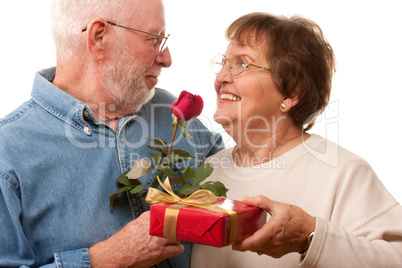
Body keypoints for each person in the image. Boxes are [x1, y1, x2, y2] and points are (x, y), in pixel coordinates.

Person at [0, 0, 223, 267]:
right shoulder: (8, 153)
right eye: (154, 40)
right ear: (99, 37)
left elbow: (243, 182)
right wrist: (102, 260)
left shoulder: (170, 113)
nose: (166, 59)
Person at [191, 12, 402, 267]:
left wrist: (310, 237)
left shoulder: (343, 173)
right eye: (224, 62)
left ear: (291, 93)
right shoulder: (206, 173)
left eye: (242, 64)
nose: (221, 77)